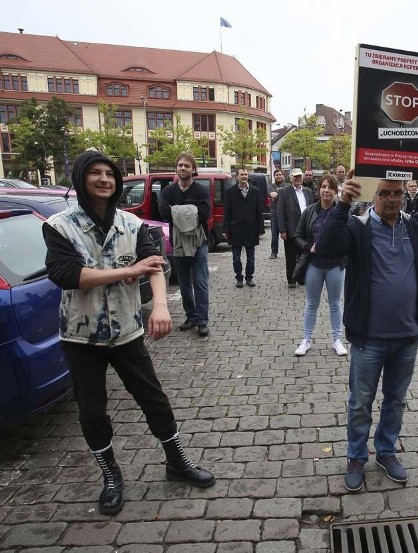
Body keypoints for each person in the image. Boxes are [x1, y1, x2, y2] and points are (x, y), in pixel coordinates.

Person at [42, 151, 215, 516]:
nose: (104, 179)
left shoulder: (132, 225)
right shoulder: (59, 225)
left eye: (110, 174)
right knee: (92, 411)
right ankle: (110, 475)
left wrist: (163, 307)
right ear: (80, 178)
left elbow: (154, 264)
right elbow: (68, 275)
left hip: (126, 331)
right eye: (95, 173)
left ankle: (176, 461)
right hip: (81, 337)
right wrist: (127, 271)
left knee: (154, 399)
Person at [315, 174, 418, 492]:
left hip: (407, 335)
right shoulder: (359, 227)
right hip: (369, 337)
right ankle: (356, 457)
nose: (392, 199)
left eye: (397, 193)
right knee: (360, 402)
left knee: (395, 401)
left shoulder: (415, 224)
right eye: (384, 193)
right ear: (374, 195)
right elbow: (327, 245)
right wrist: (343, 203)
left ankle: (386, 451)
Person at [294, 174, 347, 357]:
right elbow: (298, 236)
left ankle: (337, 340)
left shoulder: (341, 212)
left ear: (335, 191)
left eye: (330, 187)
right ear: (319, 190)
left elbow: (348, 237)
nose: (326, 190)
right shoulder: (309, 211)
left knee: (335, 303)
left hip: (335, 265)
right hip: (314, 265)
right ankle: (306, 339)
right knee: (311, 303)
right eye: (323, 187)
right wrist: (310, 247)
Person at [159, 152, 211, 337]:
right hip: (178, 243)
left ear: (193, 169)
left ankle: (202, 321)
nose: (183, 168)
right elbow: (163, 212)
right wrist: (191, 210)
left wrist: (177, 211)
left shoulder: (201, 191)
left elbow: (205, 213)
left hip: (199, 243)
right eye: (180, 165)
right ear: (176, 168)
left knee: (200, 282)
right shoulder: (168, 191)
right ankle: (191, 317)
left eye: (187, 166)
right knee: (183, 283)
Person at [223, 168, 264, 287]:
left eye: (246, 174)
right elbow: (227, 211)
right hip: (235, 230)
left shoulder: (255, 191)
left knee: (251, 257)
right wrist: (226, 229)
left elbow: (258, 211)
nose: (244, 176)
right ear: (237, 177)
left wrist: (260, 228)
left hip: (251, 229)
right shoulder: (230, 192)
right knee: (236, 258)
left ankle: (249, 278)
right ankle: (239, 278)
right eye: (242, 174)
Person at [278, 168, 315, 288]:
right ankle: (291, 279)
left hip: (306, 228)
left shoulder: (308, 191)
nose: (298, 178)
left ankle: (302, 277)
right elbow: (280, 212)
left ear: (303, 177)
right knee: (291, 256)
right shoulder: (284, 191)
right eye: (295, 176)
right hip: (291, 228)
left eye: (299, 176)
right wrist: (282, 230)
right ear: (290, 178)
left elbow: (313, 209)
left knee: (305, 255)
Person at [269, 169, 286, 259]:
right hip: (275, 214)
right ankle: (273, 252)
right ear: (274, 176)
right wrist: (282, 195)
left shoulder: (287, 186)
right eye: (277, 175)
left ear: (283, 176)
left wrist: (277, 196)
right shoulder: (271, 186)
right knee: (274, 234)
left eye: (280, 174)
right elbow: (273, 195)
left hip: (286, 213)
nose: (278, 176)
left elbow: (276, 196)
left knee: (287, 234)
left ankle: (288, 252)